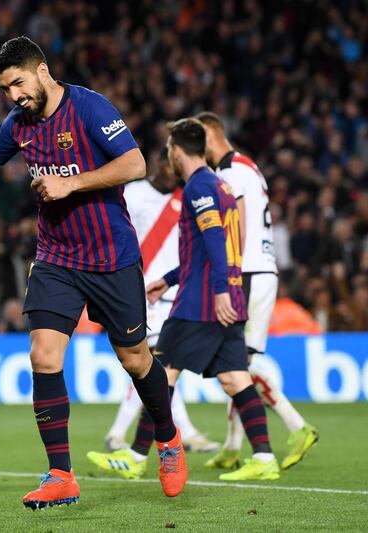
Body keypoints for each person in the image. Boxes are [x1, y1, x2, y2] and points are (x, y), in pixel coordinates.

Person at [0, 36, 186, 506]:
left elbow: (135, 162)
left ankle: (167, 439)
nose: (13, 95)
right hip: (56, 258)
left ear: (42, 70)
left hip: (111, 258)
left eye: (17, 84)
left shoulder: (90, 107)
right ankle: (60, 475)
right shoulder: (18, 124)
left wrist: (73, 182)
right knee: (44, 357)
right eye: (5, 89)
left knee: (135, 359)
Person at [92, 118, 281, 482]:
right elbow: (212, 249)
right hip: (220, 297)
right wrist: (168, 279)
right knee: (235, 379)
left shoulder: (198, 187)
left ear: (177, 150)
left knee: (159, 376)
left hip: (200, 303)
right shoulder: (222, 185)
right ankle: (264, 456)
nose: (168, 157)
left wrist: (222, 290)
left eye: (168, 151)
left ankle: (134, 455)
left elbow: (214, 240)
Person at [196, 111, 319, 470]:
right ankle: (234, 445)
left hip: (245, 271)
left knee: (235, 364)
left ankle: (296, 426)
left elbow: (234, 224)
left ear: (210, 136)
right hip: (260, 269)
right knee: (235, 362)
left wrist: (225, 273)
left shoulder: (230, 172)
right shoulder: (248, 166)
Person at [88, 150, 220, 474]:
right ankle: (159, 436)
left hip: (171, 290)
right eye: (166, 165)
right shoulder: (133, 193)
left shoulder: (185, 198)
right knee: (156, 367)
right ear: (158, 164)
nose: (170, 172)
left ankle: (131, 435)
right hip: (137, 288)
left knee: (160, 365)